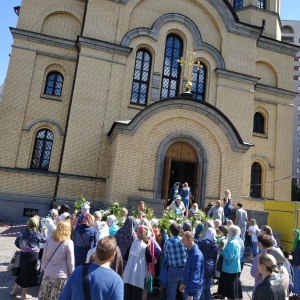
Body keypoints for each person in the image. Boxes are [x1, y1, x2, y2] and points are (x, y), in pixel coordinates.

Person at [59, 236, 124, 300]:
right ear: (113, 256)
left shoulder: (78, 271)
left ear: (95, 252)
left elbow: (63, 297)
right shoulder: (116, 281)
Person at [11, 216, 47, 299]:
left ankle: (14, 290)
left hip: (23, 254)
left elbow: (16, 242)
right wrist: (44, 232)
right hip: (32, 255)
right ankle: (24, 294)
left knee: (22, 271)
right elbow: (44, 240)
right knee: (29, 274)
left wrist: (23, 248)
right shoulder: (35, 233)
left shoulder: (22, 231)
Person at [38, 221, 74, 300]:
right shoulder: (69, 243)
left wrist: (42, 269)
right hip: (61, 276)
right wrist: (72, 274)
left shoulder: (49, 240)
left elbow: (44, 257)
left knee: (45, 297)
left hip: (47, 274)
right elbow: (70, 262)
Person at [123, 225, 152, 300]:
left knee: (127, 296)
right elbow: (149, 260)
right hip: (139, 275)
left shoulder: (132, 244)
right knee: (136, 296)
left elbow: (125, 257)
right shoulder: (145, 247)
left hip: (128, 273)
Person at [218, 225, 242, 300]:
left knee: (230, 292)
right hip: (233, 268)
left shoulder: (232, 243)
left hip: (229, 269)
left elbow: (230, 256)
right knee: (231, 292)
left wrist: (222, 252)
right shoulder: (236, 241)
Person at [164, 222, 187, 300]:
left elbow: (166, 255)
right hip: (184, 269)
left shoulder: (167, 242)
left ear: (171, 231)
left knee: (171, 295)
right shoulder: (183, 240)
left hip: (173, 269)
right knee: (185, 294)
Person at [179, 231, 204, 300]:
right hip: (189, 286)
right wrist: (184, 283)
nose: (182, 241)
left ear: (190, 239)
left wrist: (191, 293)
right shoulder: (191, 252)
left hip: (193, 289)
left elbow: (195, 274)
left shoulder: (196, 255)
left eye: (183, 240)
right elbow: (188, 270)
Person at [196, 227, 218, 300]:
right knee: (207, 288)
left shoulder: (205, 243)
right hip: (211, 266)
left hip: (203, 266)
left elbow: (195, 242)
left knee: (202, 288)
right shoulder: (215, 245)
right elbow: (214, 258)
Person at [292, 229, 300, 297]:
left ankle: (298, 295)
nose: (293, 235)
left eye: (295, 234)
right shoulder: (295, 242)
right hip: (294, 263)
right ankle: (296, 294)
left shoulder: (299, 242)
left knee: (297, 280)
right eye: (293, 234)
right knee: (295, 279)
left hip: (298, 264)